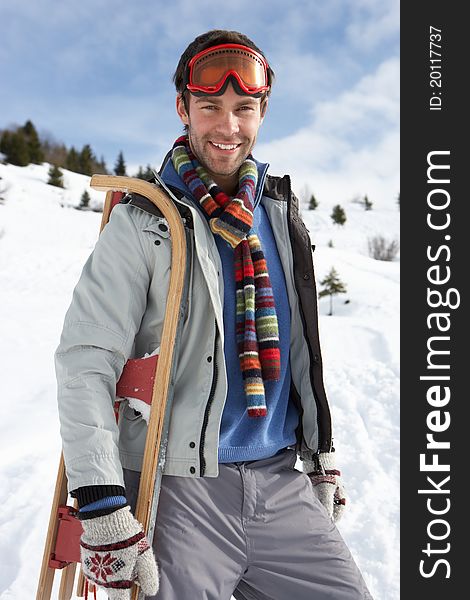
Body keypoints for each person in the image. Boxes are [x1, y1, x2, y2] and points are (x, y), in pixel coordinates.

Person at [56, 29, 373, 600]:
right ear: (184, 109)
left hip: (281, 482)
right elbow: (86, 361)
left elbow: (303, 351)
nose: (228, 127)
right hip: (181, 489)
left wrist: (320, 456)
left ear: (262, 111)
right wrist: (102, 502)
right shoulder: (145, 222)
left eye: (243, 108)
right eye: (210, 107)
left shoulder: (278, 216)